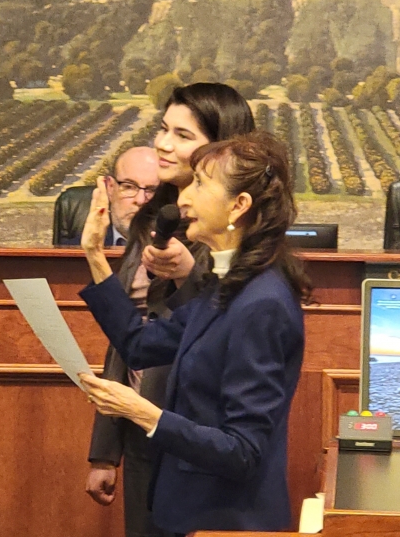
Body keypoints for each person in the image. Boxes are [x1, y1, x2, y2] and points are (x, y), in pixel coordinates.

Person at [78, 132, 310, 535]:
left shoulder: (262, 304)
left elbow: (244, 451)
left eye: (200, 185)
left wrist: (143, 413)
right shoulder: (226, 285)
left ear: (239, 205)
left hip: (224, 522)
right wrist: (95, 255)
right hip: (185, 513)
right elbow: (139, 345)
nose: (182, 199)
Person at [85, 83, 255, 537]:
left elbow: (225, 333)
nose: (162, 144)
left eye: (181, 135)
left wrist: (186, 278)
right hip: (143, 434)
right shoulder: (152, 219)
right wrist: (105, 449)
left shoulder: (236, 235)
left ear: (220, 150)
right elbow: (127, 339)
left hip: (200, 443)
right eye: (163, 129)